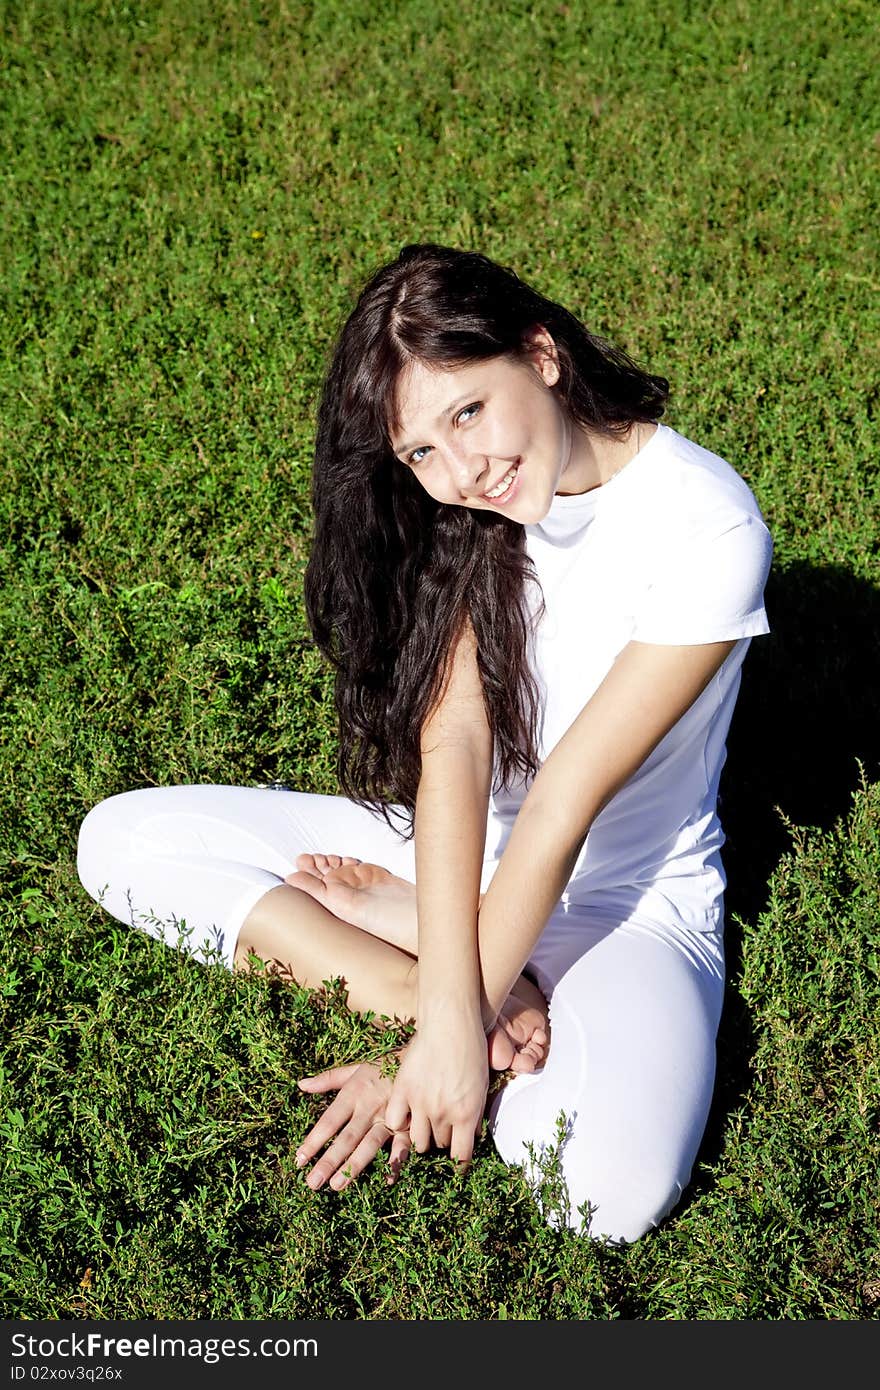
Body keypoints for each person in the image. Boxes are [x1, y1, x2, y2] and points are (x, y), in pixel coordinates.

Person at [77, 243, 773, 1244]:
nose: (463, 474)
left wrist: (438, 1051)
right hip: (465, 848)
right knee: (121, 842)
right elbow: (454, 752)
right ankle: (441, 979)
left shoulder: (708, 525)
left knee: (598, 1190)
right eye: (421, 453)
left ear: (539, 354)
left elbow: (564, 802)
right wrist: (447, 1014)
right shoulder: (471, 517)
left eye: (467, 413)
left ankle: (436, 951)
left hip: (626, 904)